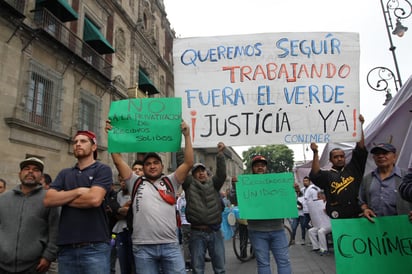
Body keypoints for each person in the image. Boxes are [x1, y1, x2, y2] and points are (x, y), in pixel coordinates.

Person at [107, 120, 194, 274]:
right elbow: (118, 160)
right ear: (144, 167)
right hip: (142, 248)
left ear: (161, 166)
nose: (152, 166)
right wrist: (112, 135)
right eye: (148, 164)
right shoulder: (135, 182)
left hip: (170, 246)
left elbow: (188, 163)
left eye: (155, 163)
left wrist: (187, 136)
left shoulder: (171, 181)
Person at [43, 130, 113, 274]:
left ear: (94, 147)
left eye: (83, 141)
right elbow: (49, 200)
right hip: (66, 248)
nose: (78, 144)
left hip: (95, 248)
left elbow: (94, 200)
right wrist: (78, 191)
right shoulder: (64, 173)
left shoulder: (102, 169)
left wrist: (62, 198)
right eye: (75, 142)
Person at [0, 157, 59, 273]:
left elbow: (55, 230)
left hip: (34, 266)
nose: (30, 172)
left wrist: (48, 256)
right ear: (20, 174)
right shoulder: (4, 199)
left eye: (36, 169)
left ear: (41, 177)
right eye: (26, 169)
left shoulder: (49, 199)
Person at [309, 114, 368, 219]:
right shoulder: (327, 175)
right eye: (336, 157)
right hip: (338, 217)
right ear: (330, 160)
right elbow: (315, 174)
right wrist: (315, 152)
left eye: (342, 156)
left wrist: (359, 127)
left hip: (358, 214)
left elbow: (360, 150)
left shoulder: (353, 169)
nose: (339, 158)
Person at [183, 142, 227, 274]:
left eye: (203, 170)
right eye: (197, 172)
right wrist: (180, 146)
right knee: (198, 269)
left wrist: (220, 154)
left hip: (215, 232)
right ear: (193, 175)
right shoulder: (189, 185)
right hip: (197, 233)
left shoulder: (214, 184)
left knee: (220, 268)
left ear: (207, 173)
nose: (201, 173)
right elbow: (182, 166)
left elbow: (222, 174)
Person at [247, 155, 292, 274]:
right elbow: (236, 200)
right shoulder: (246, 185)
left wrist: (292, 191)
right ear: (253, 169)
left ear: (266, 168)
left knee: (283, 261)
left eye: (262, 165)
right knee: (263, 263)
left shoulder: (276, 183)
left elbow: (286, 201)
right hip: (257, 231)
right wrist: (234, 187)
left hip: (277, 229)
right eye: (257, 166)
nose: (260, 167)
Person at [359, 143, 411, 222]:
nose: (380, 156)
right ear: (373, 158)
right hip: (376, 227)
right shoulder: (367, 179)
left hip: (403, 227)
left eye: (385, 153)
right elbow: (361, 200)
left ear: (394, 157)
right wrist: (365, 209)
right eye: (377, 154)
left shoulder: (407, 178)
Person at [112, 176, 135, 274]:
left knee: (134, 262)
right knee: (123, 262)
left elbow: (131, 212)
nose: (123, 183)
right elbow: (114, 212)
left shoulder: (135, 194)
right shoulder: (118, 195)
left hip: (132, 231)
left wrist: (122, 210)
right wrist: (123, 208)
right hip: (120, 231)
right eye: (121, 181)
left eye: (125, 181)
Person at [308, 191, 332, 256]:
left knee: (321, 232)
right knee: (311, 231)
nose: (318, 198)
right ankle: (316, 247)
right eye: (318, 196)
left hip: (329, 224)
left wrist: (327, 212)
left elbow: (332, 214)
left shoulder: (329, 203)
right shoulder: (317, 204)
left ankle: (324, 249)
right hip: (320, 224)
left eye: (319, 196)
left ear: (324, 196)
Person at [300, 176, 319, 244]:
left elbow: (315, 200)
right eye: (304, 181)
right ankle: (315, 236)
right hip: (305, 211)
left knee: (313, 225)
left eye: (306, 181)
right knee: (304, 225)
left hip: (312, 211)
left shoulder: (312, 189)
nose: (305, 182)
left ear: (309, 181)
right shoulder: (303, 190)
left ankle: (316, 237)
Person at [176, 191, 192, 271]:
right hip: (192, 223)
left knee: (185, 243)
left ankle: (187, 263)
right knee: (194, 243)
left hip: (183, 223)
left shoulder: (179, 199)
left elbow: (178, 210)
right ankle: (194, 261)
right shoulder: (191, 195)